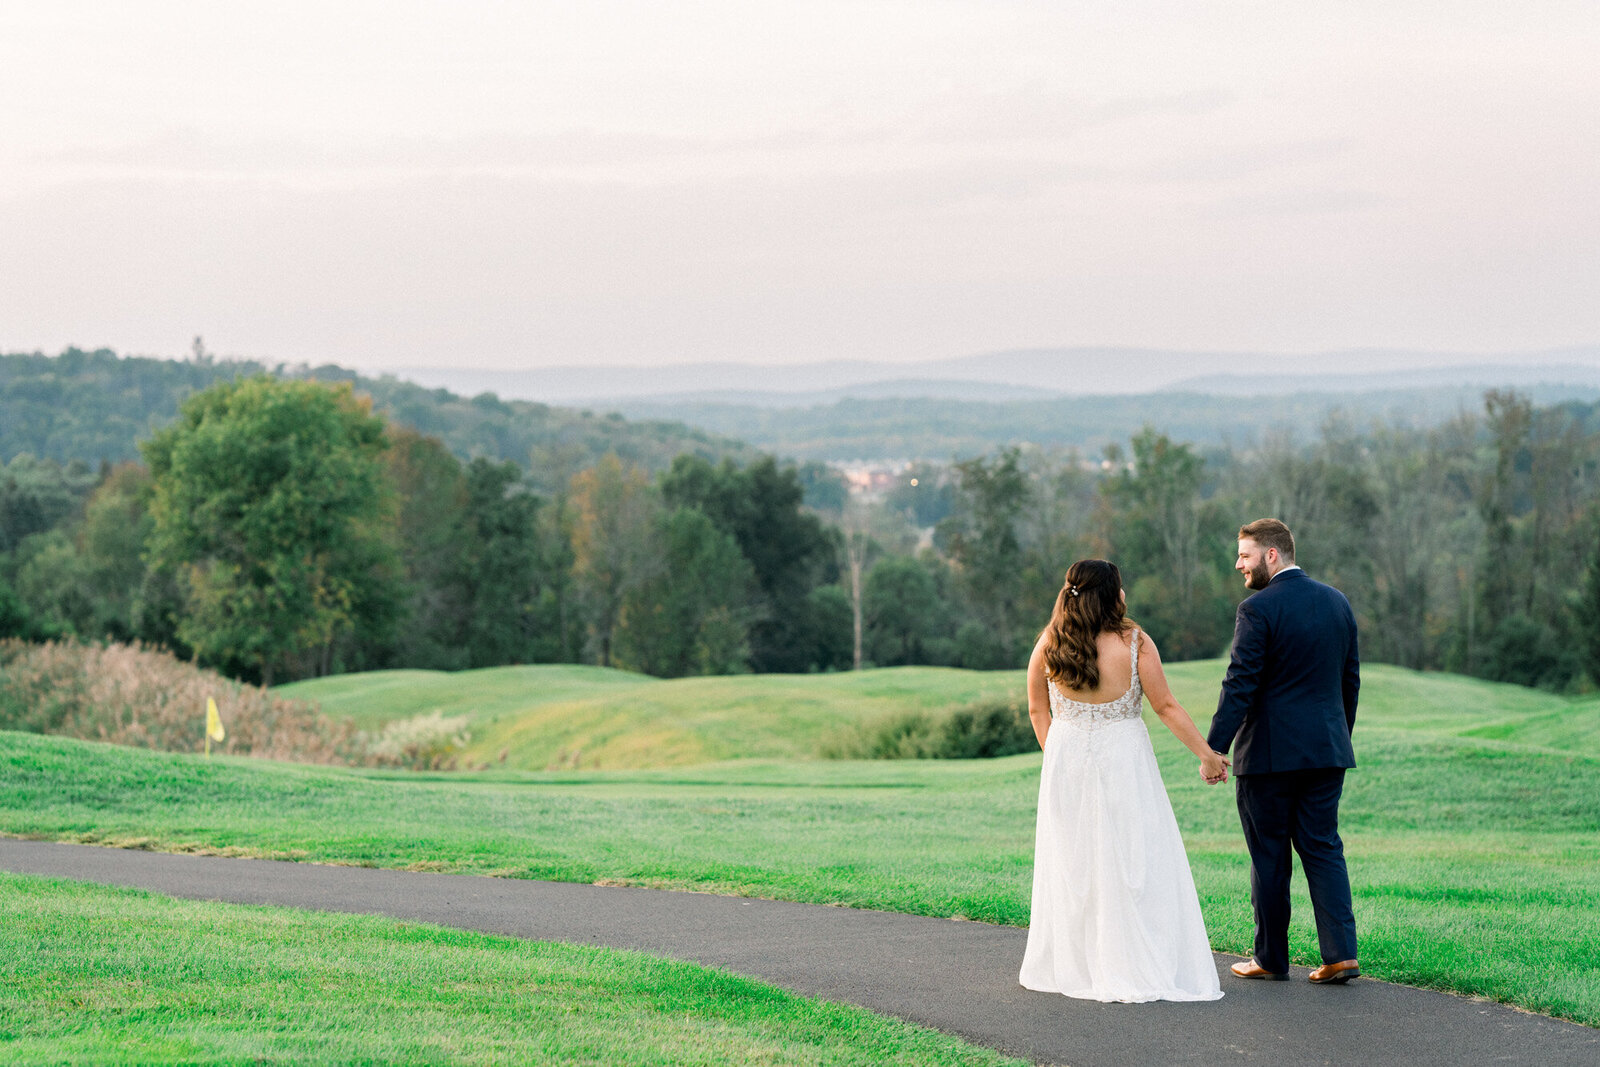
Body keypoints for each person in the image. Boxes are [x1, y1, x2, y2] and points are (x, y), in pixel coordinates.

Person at [1019, 558, 1229, 1003]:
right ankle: (1134, 961)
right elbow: (1166, 706)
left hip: (1067, 761)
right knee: (1137, 860)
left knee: (1076, 863)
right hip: (1123, 761)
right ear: (1111, 593)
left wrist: (1058, 755)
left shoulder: (1050, 641)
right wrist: (1207, 756)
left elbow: (1039, 712)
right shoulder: (1134, 641)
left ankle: (1080, 964)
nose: (1126, 594)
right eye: (1122, 586)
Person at [1207, 518, 1361, 985]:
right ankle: (1341, 955)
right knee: (1323, 848)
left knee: (1269, 856)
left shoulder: (1257, 609)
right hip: (1327, 752)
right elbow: (1349, 679)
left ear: (1272, 555)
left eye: (1245, 555)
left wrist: (1214, 747)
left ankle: (1271, 959)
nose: (1239, 564)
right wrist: (1336, 737)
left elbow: (1241, 684)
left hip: (1270, 758)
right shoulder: (1337, 602)